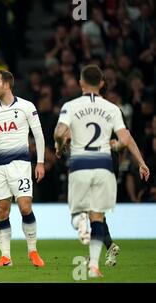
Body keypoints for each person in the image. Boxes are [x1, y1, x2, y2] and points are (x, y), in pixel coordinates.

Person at [54, 65, 150, 278]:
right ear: (102, 83)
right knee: (97, 216)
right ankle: (94, 266)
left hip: (80, 164)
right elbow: (125, 138)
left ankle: (79, 222)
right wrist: (138, 160)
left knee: (80, 212)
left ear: (80, 83)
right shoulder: (113, 108)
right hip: (105, 165)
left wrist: (60, 147)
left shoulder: (70, 106)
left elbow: (60, 132)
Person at [0, 70, 46, 268]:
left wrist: (40, 162)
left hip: (21, 164)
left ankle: (32, 251)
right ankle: (5, 256)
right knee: (2, 212)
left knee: (25, 206)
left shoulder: (26, 106)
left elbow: (39, 135)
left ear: (6, 85)